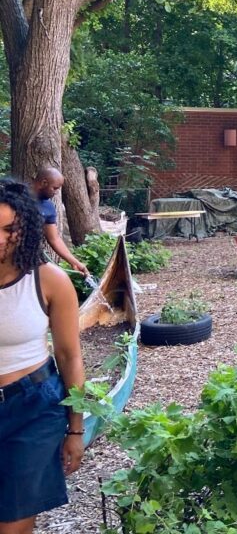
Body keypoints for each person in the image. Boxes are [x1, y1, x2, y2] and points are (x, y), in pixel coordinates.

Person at [0, 178, 85, 531]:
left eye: (9, 229)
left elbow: (69, 356)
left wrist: (76, 430)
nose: (0, 239)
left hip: (33, 409)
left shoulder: (49, 281)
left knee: (14, 523)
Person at [31, 169, 88, 276]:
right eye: (55, 188)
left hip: (30, 258)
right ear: (44, 183)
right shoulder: (15, 197)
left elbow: (54, 239)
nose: (56, 192)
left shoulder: (48, 207)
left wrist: (74, 262)